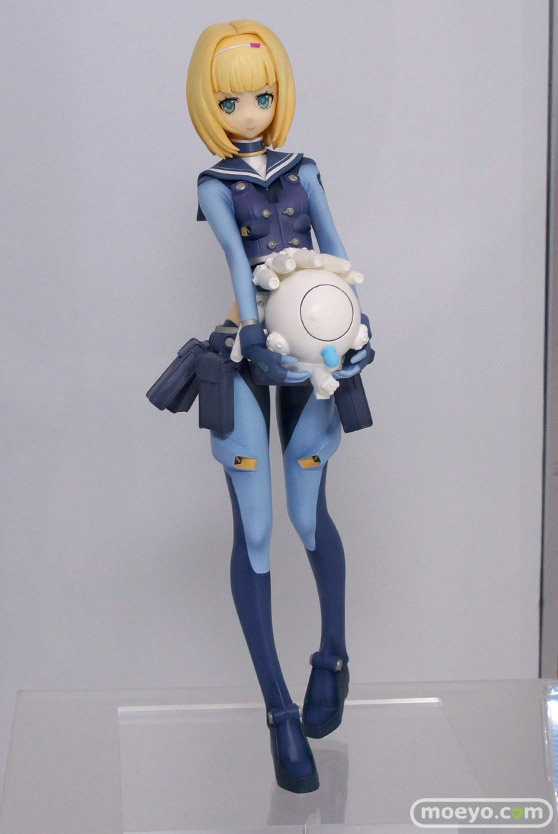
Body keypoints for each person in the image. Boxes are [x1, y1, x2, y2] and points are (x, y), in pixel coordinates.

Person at [186, 19, 374, 793]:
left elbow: (336, 248)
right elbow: (239, 263)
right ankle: (277, 711)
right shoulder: (215, 184)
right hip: (251, 348)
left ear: (279, 95)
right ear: (210, 105)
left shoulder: (305, 170)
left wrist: (358, 327)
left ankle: (332, 655)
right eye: (232, 101)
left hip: (316, 344)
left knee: (308, 515)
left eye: (261, 97)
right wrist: (254, 335)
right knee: (256, 528)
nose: (250, 113)